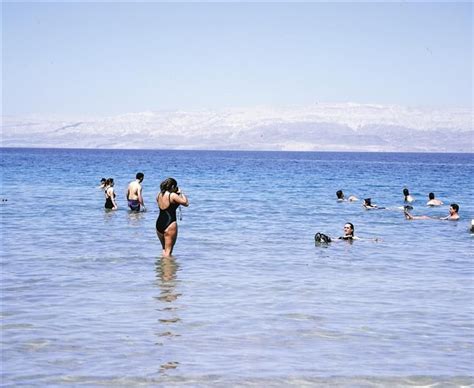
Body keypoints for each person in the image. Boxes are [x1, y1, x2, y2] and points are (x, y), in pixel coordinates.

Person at [156, 177, 189, 257]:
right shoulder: (172, 195)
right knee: (169, 251)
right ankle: (168, 268)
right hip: (170, 223)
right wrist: (181, 193)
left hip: (159, 223)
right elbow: (186, 203)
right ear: (173, 186)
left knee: (164, 249)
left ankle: (161, 268)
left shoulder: (159, 194)